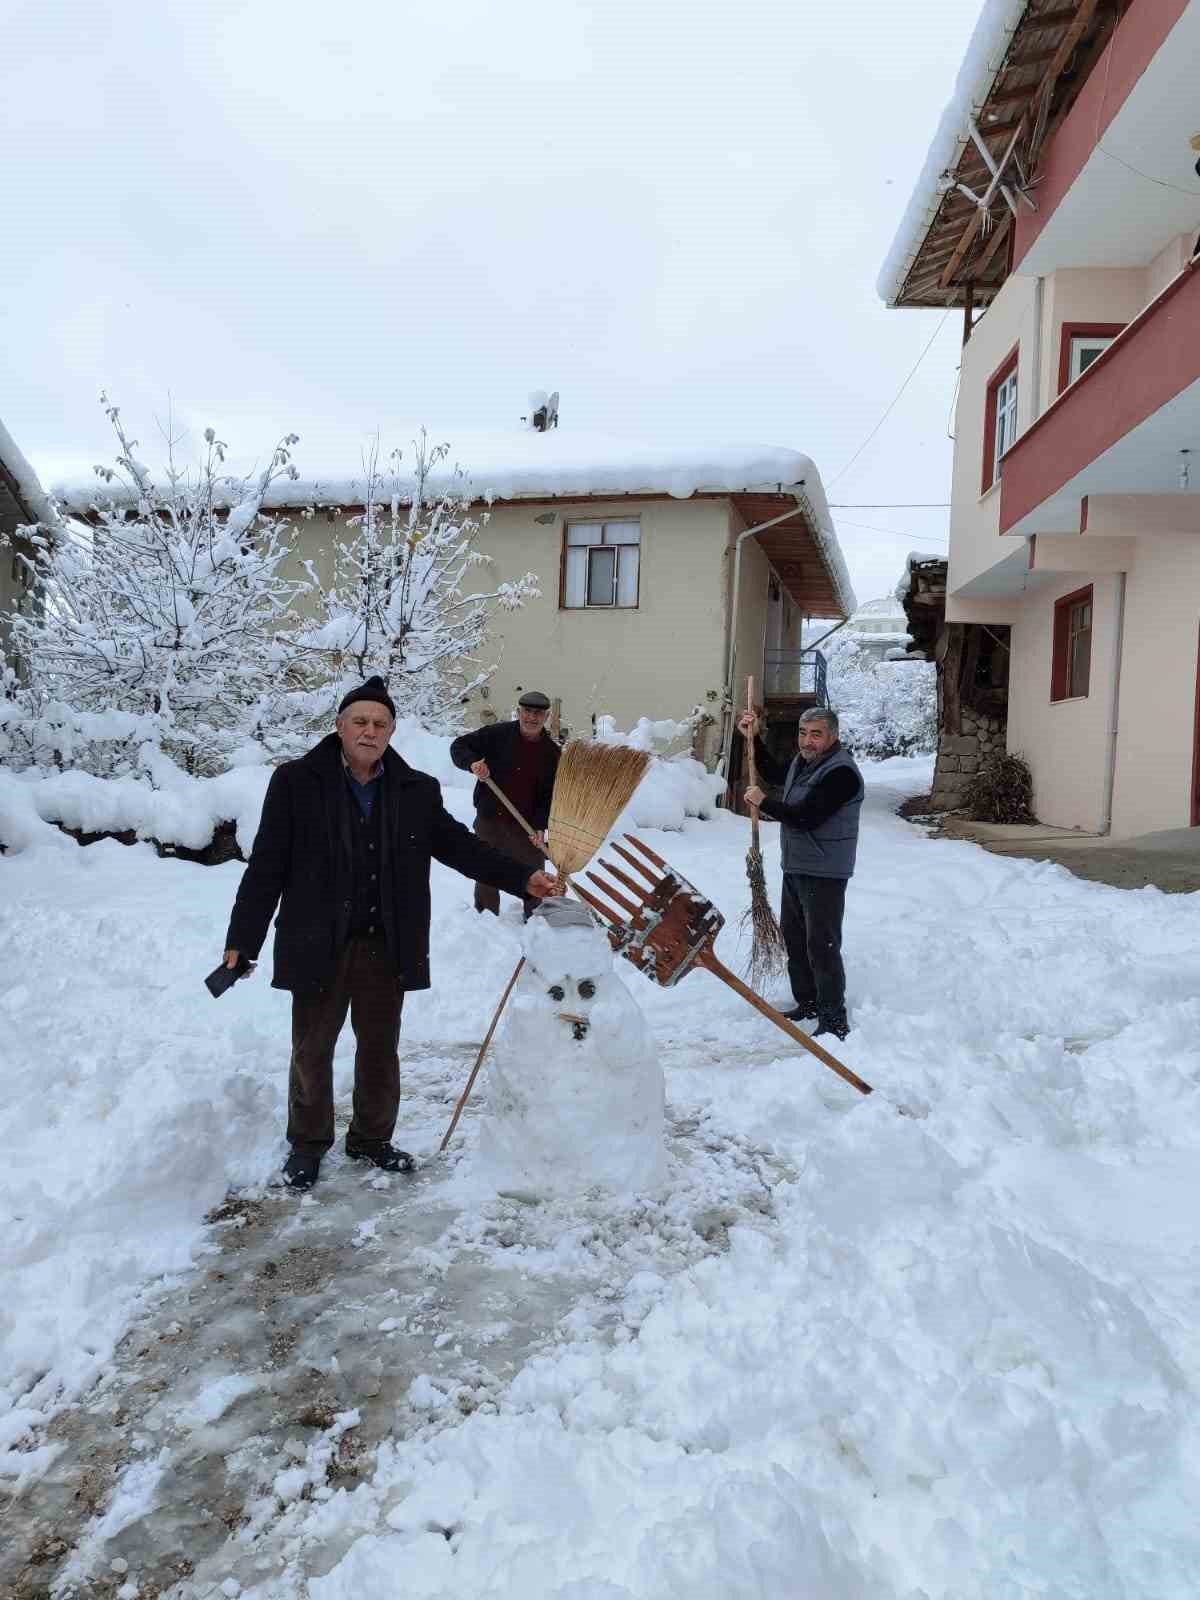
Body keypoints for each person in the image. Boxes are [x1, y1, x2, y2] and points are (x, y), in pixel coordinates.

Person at [223, 675, 556, 1191]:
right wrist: (243, 940)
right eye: (360, 721)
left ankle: (372, 1138)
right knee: (312, 1048)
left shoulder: (414, 790)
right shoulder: (294, 782)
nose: (369, 731)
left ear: (392, 731)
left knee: (380, 1047)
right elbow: (267, 867)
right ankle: (308, 1142)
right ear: (339, 726)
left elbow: (461, 847)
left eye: (380, 723)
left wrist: (521, 877)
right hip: (317, 940)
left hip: (386, 941)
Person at [738, 705, 864, 1041]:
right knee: (795, 939)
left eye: (816, 734)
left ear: (832, 736)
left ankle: (834, 1018)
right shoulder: (804, 763)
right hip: (796, 865)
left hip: (824, 871)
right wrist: (754, 740)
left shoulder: (841, 773)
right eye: (802, 733)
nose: (807, 741)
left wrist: (764, 802)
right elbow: (776, 773)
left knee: (821, 944)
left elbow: (807, 816)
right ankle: (807, 1002)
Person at [449, 690, 561, 918]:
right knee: (485, 869)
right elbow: (459, 746)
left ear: (546, 717)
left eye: (538, 713)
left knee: (535, 871)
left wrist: (541, 826)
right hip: (490, 818)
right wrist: (472, 764)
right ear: (519, 712)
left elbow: (550, 795)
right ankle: (486, 918)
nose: (531, 717)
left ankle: (536, 920)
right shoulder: (497, 735)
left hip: (526, 825)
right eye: (527, 711)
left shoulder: (552, 753)